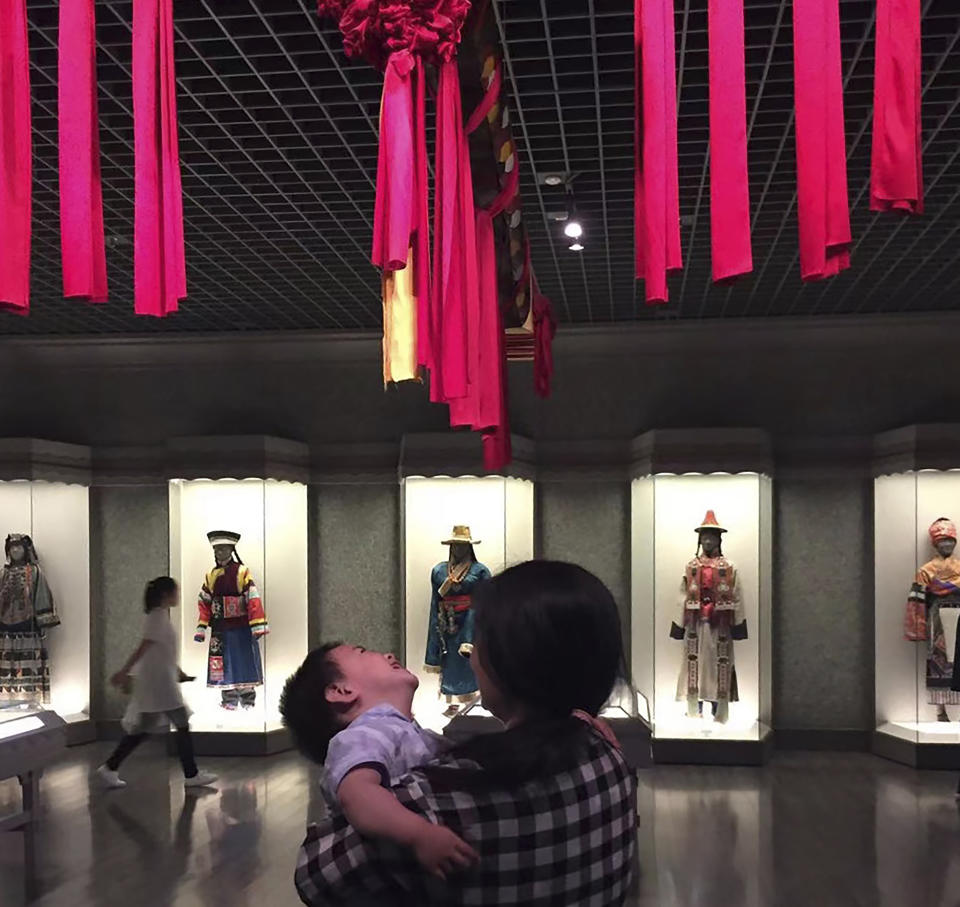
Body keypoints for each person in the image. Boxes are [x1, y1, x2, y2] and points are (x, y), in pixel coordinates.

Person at [294, 560, 637, 906]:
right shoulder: (612, 759)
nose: (472, 657)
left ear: (509, 657)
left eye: (480, 639)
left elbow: (316, 876)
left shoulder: (432, 801)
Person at [280, 643, 478, 878]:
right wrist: (419, 834)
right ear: (342, 691)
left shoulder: (403, 731)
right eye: (362, 652)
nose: (389, 654)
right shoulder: (363, 733)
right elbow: (357, 793)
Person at [96, 576, 217, 790]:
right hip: (160, 682)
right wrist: (124, 672)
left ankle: (110, 767)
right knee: (179, 723)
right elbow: (143, 649)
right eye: (175, 592)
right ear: (165, 595)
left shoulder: (159, 617)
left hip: (161, 680)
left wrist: (179, 673)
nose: (177, 596)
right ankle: (191, 774)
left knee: (146, 727)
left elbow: (162, 652)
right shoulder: (157, 618)